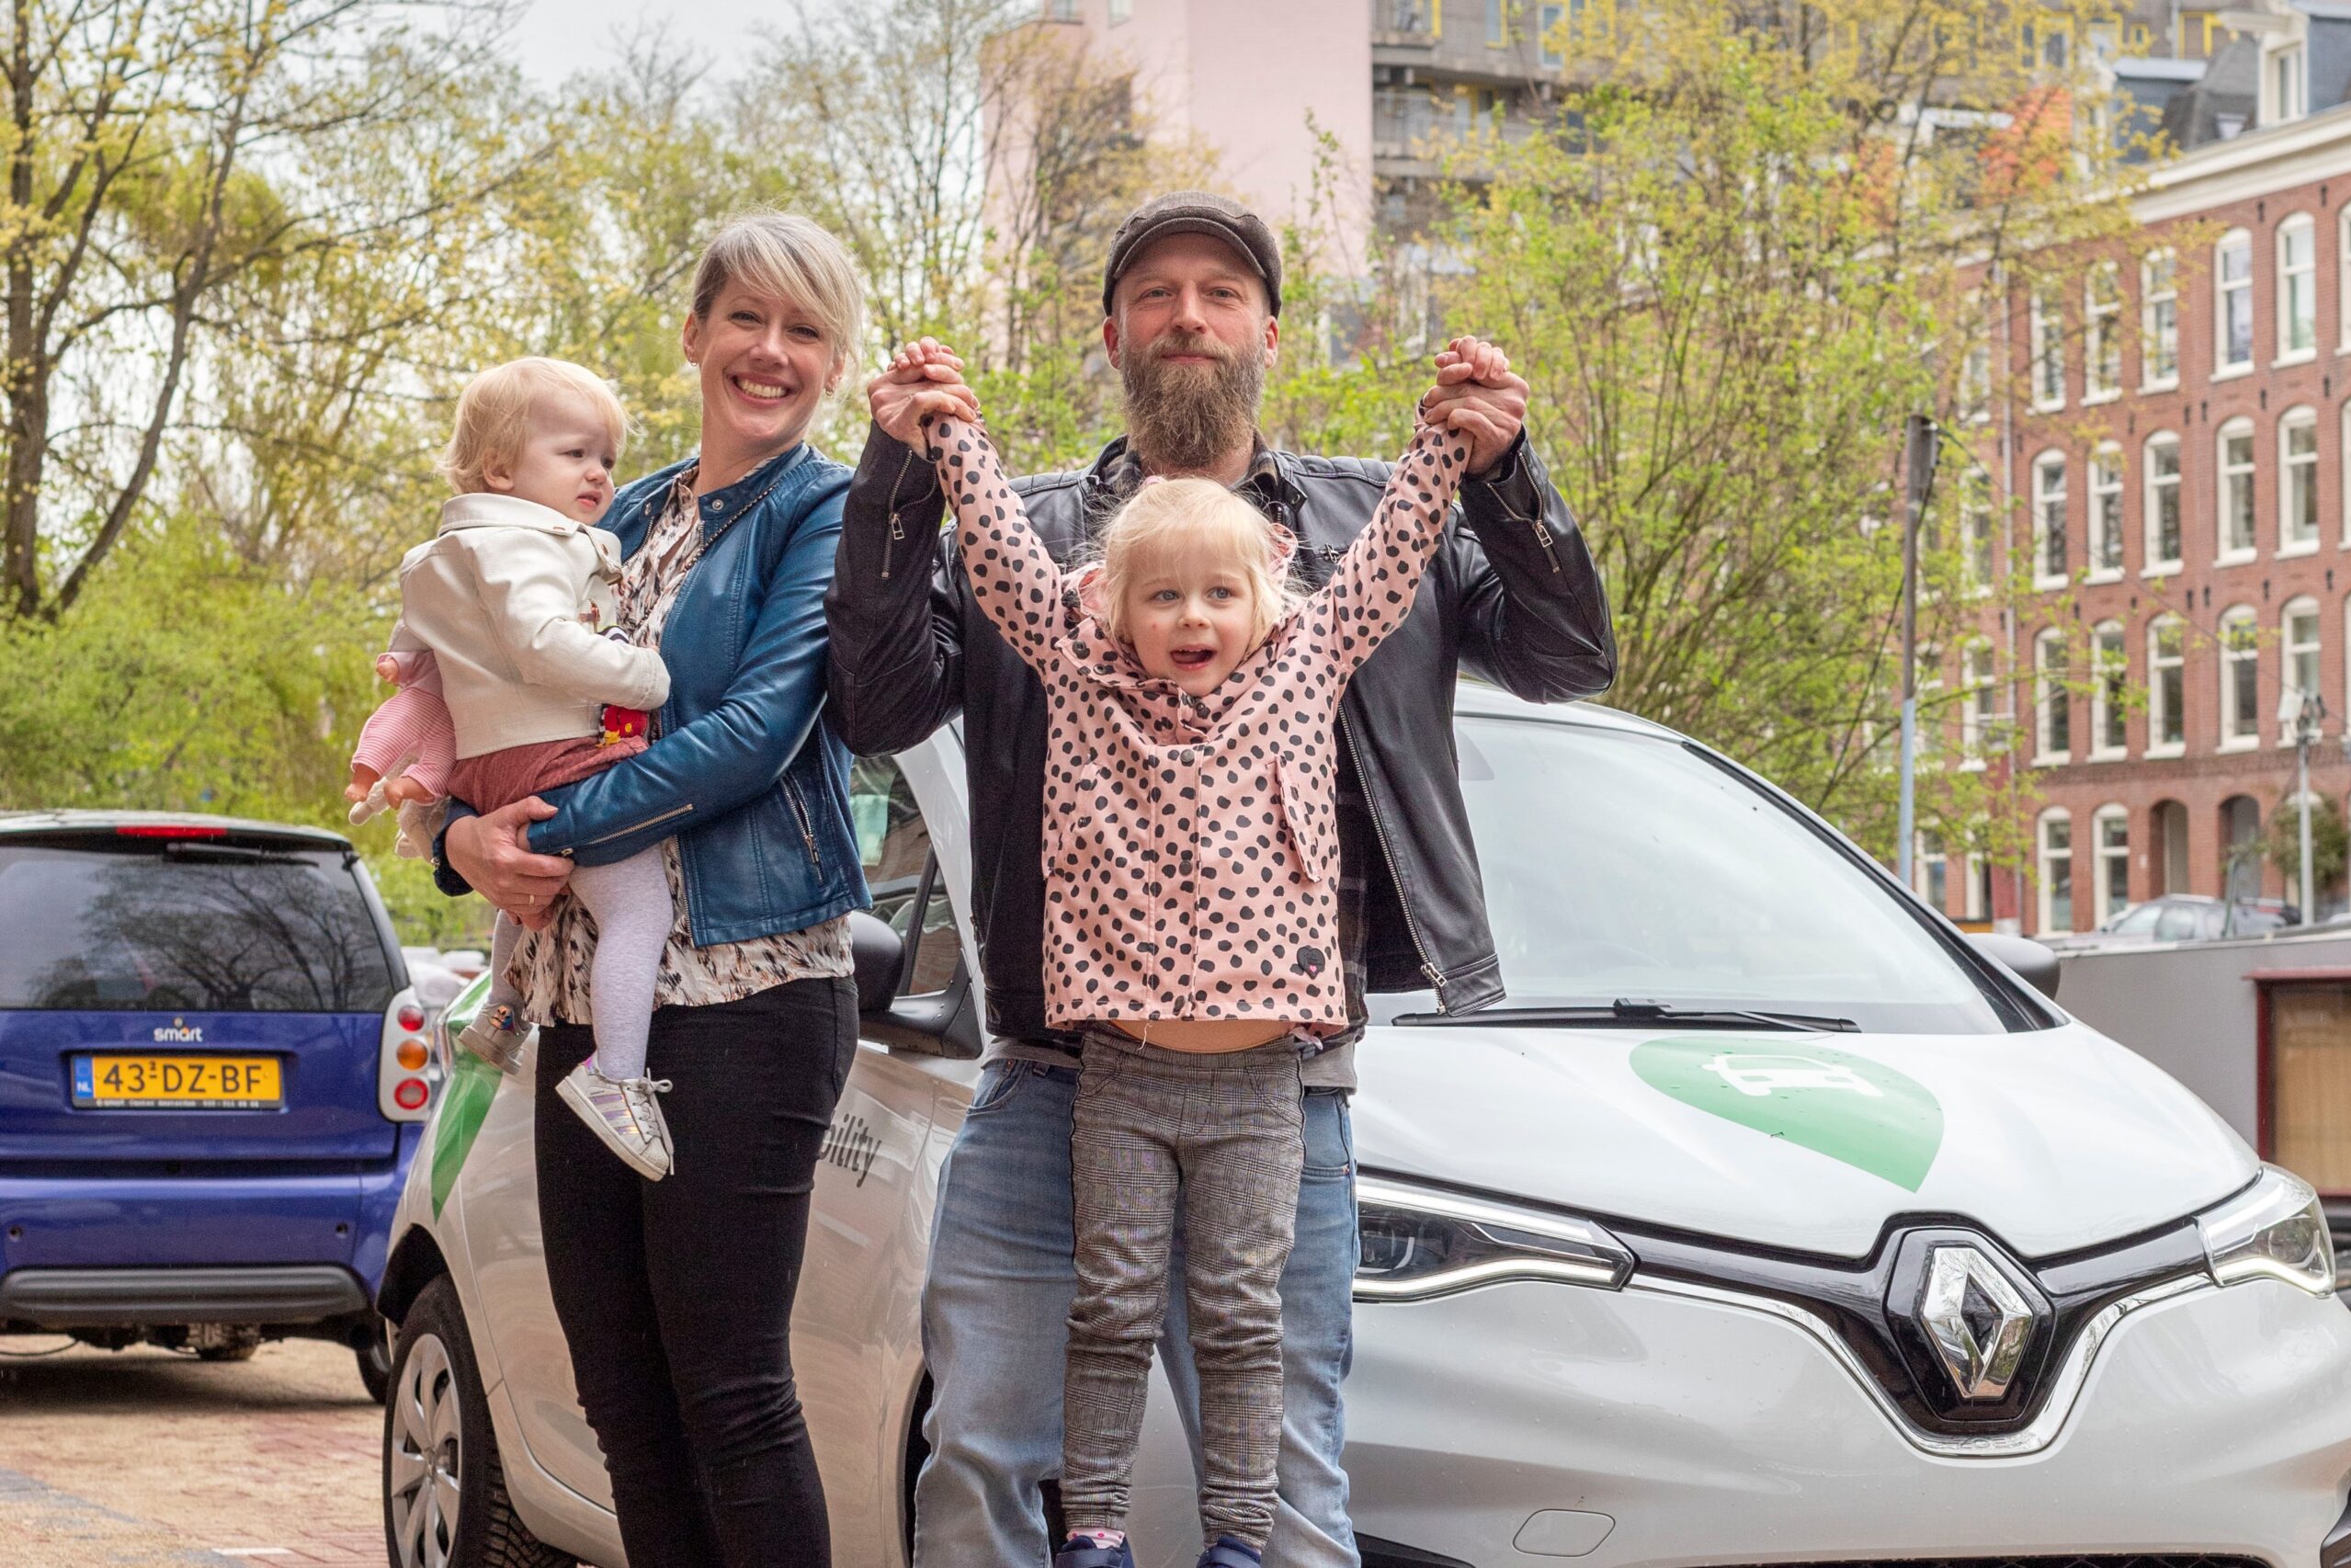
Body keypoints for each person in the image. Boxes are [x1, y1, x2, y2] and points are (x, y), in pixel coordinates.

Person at [827, 190, 1616, 1567]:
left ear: (1267, 330)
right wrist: (903, 473)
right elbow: (880, 699)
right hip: (1049, 1073)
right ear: (1116, 333)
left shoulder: (1371, 530)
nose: (1188, 314)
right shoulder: (1031, 542)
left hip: (1282, 1083)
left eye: (1221, 291)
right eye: (1157, 294)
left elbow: (1568, 664)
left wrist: (1504, 471)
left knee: (1290, 1473)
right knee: (982, 1456)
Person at [887, 329, 1498, 1568]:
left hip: (1268, 1078)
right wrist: (948, 432)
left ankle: (1233, 1537)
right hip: (1113, 1068)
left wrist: (1444, 440)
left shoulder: (1307, 660)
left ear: (1265, 597)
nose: (1193, 617)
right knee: (1107, 1315)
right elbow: (1005, 552)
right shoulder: (1077, 663)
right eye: (1162, 594)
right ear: (1112, 603)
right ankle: (1098, 1530)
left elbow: (1387, 560)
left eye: (1219, 593)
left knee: (1245, 1331)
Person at [430, 211, 868, 1568]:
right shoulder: (605, 509)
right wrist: (461, 838)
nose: (771, 352)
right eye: (748, 318)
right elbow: (485, 698)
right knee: (621, 1396)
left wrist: (545, 826)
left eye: (805, 330)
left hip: (748, 990)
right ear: (694, 335)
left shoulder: (826, 511)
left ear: (832, 361)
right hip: (584, 1000)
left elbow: (755, 730)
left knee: (731, 1398)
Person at [349, 358, 678, 1177]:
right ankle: (617, 1076)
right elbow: (542, 641)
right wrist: (641, 675)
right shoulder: (526, 545)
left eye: (606, 456)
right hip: (557, 747)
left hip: (484, 766)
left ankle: (500, 1010)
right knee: (638, 912)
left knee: (526, 890)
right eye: (574, 455)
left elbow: (410, 664)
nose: (599, 473)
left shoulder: (440, 555)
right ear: (500, 468)